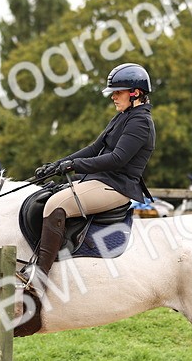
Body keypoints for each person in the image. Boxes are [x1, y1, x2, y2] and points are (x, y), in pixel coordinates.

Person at [26, 62, 156, 290]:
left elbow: (117, 159)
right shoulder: (123, 116)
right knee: (43, 195)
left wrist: (74, 165)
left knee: (56, 205)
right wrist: (58, 164)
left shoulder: (140, 122)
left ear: (135, 93)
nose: (113, 97)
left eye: (118, 92)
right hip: (100, 180)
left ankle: (40, 279)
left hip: (117, 187)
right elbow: (94, 148)